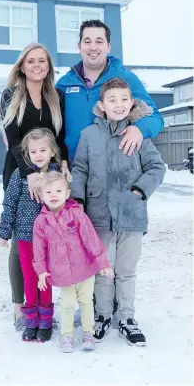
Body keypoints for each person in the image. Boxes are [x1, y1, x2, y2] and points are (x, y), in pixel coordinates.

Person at [71, 78, 165, 347]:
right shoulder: (89, 135)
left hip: (131, 217)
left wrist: (139, 191)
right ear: (101, 105)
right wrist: (78, 198)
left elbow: (156, 168)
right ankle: (102, 315)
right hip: (98, 217)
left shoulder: (138, 134)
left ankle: (126, 317)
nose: (119, 105)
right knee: (103, 271)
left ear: (131, 103)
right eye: (112, 100)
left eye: (124, 99)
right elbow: (80, 170)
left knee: (126, 271)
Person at [0, 43, 69, 330]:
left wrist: (62, 162)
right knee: (22, 240)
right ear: (22, 66)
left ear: (48, 66)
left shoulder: (57, 96)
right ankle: (20, 306)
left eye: (42, 61)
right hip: (18, 170)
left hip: (50, 173)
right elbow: (13, 139)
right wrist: (28, 173)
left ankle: (44, 302)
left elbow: (60, 136)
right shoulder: (10, 95)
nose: (37, 65)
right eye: (31, 61)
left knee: (47, 239)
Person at [55, 19, 164, 163]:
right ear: (79, 46)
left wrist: (139, 129)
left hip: (113, 173)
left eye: (99, 41)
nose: (93, 47)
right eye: (87, 41)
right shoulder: (64, 83)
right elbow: (54, 127)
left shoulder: (126, 78)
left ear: (109, 46)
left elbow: (156, 117)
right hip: (74, 172)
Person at [0, 128, 65, 343]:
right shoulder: (20, 175)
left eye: (43, 150)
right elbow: (10, 204)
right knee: (29, 278)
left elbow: (65, 203)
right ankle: (31, 319)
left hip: (49, 239)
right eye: (33, 151)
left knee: (45, 279)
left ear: (52, 151)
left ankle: (46, 321)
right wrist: (4, 231)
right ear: (26, 153)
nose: (38, 155)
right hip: (25, 237)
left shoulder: (57, 176)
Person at [32, 172, 113, 353]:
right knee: (67, 304)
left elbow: (90, 238)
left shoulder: (76, 214)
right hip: (61, 272)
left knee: (86, 302)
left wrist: (102, 262)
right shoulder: (41, 222)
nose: (54, 195)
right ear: (42, 195)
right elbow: (39, 248)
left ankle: (88, 333)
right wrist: (41, 270)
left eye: (58, 191)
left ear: (67, 194)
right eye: (49, 192)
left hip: (85, 268)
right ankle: (66, 335)